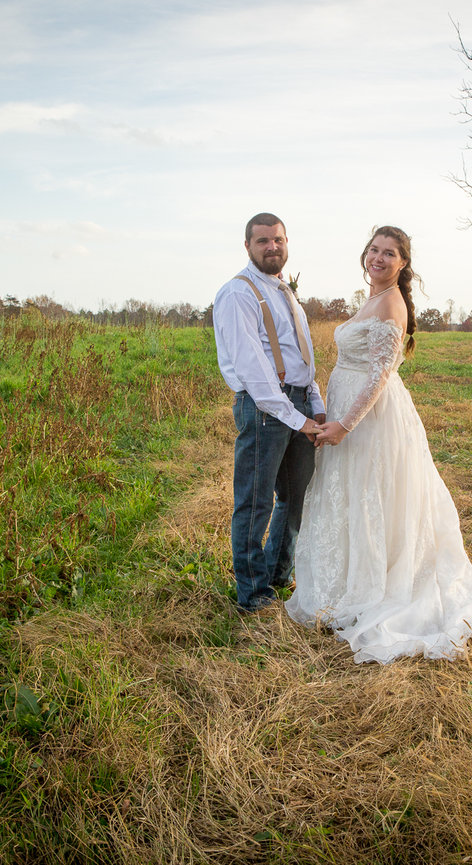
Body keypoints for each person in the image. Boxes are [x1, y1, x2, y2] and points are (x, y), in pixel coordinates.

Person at [286, 226, 472, 663]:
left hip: (370, 419)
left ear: (403, 264)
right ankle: (347, 581)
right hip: (348, 409)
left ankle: (378, 586)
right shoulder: (371, 298)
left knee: (372, 494)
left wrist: (344, 424)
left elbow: (380, 376)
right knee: (351, 493)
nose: (378, 258)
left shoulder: (390, 303)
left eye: (389, 253)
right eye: (374, 250)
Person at [214, 213, 326, 612]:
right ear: (247, 246)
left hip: (298, 404)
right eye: (262, 241)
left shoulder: (285, 292)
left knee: (295, 499)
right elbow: (253, 370)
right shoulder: (237, 293)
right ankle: (253, 594)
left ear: (286, 242)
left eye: (277, 239)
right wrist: (297, 417)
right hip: (265, 409)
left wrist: (315, 406)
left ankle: (278, 576)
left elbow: (301, 356)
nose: (271, 247)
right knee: (255, 503)